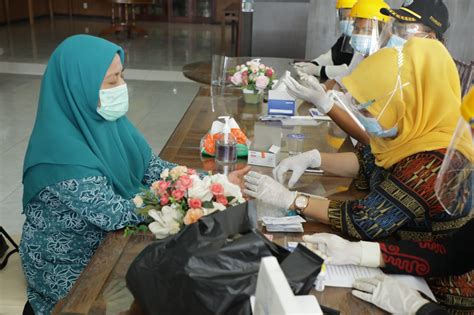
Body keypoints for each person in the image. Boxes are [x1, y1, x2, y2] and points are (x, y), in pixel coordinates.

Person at [19, 35, 249, 315]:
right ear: (79, 88)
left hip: (110, 248)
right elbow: (117, 214)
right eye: (112, 81)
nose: (122, 86)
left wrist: (210, 182)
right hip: (72, 269)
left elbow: (153, 168)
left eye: (121, 76)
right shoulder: (60, 154)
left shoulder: (107, 122)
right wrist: (198, 194)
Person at [244, 38, 472, 242]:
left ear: (406, 104)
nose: (363, 119)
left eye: (369, 110)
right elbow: (368, 162)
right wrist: (314, 159)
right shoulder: (414, 132)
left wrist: (293, 200)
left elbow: (366, 219)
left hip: (427, 277)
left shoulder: (434, 163)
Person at [303, 88, 473, 313]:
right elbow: (452, 253)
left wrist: (417, 308)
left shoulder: (430, 162)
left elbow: (366, 219)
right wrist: (361, 253)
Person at [288, 0, 451, 146]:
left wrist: (326, 104)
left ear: (431, 38)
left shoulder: (421, 82)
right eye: (397, 27)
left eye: (406, 29)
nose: (396, 36)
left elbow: (376, 141)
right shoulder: (394, 65)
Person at [293, 0, 358, 81]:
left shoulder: (362, 46)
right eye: (344, 18)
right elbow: (330, 57)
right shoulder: (345, 38)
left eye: (350, 18)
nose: (345, 22)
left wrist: (316, 70)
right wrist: (312, 64)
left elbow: (349, 71)